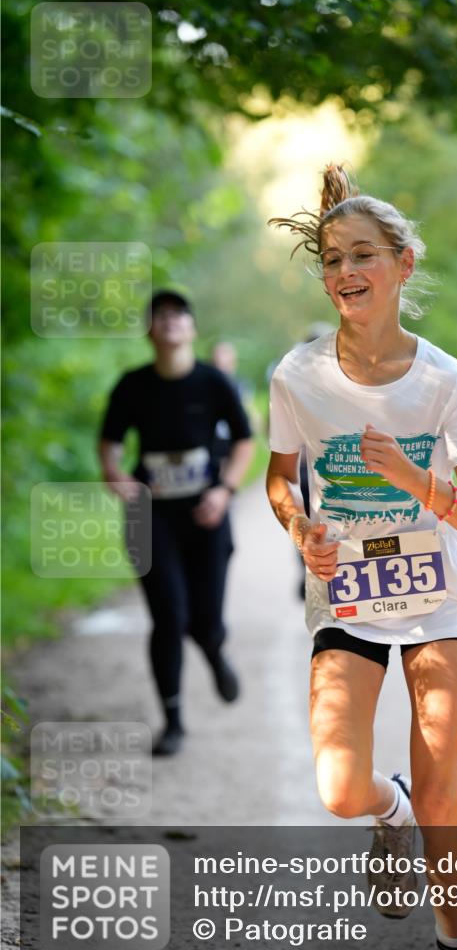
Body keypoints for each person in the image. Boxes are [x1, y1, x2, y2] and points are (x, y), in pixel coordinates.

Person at [266, 166, 457, 950]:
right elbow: (278, 477)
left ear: (404, 264)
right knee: (339, 790)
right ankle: (387, 809)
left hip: (435, 596)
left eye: (361, 255)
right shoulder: (296, 375)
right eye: (331, 259)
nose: (342, 273)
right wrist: (299, 527)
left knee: (444, 790)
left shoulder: (444, 380)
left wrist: (413, 480)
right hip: (347, 599)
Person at [99, 290, 254, 756]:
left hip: (206, 515)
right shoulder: (132, 385)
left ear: (191, 328)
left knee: (205, 621)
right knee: (168, 617)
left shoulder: (214, 383)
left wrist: (224, 490)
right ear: (150, 331)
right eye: (158, 316)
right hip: (151, 516)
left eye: (177, 314)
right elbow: (109, 442)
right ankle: (173, 721)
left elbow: (245, 440)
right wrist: (114, 474)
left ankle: (213, 649)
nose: (168, 321)